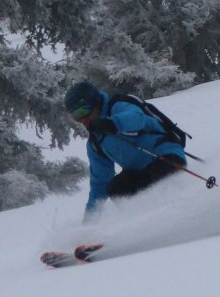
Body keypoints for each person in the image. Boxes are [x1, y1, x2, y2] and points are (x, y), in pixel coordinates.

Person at [63, 80, 188, 222]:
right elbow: (99, 184)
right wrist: (88, 224)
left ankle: (180, 211)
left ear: (95, 102)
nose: (82, 120)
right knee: (115, 188)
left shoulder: (117, 106)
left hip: (166, 156)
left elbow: (137, 118)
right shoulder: (95, 143)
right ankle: (148, 223)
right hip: (141, 173)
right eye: (75, 117)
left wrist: (112, 124)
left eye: (83, 111)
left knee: (156, 175)